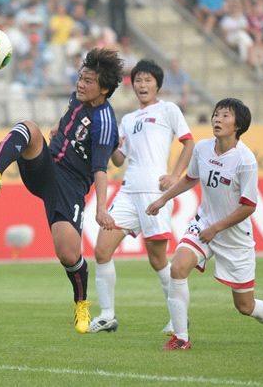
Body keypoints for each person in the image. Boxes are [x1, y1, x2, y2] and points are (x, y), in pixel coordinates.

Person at [146, 98, 263, 350]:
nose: (217, 119)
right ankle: (181, 338)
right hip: (203, 224)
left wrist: (217, 228)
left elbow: (249, 206)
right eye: (216, 114)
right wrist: (162, 199)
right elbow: (190, 179)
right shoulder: (202, 148)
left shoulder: (245, 160)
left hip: (234, 237)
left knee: (245, 306)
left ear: (238, 125)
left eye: (225, 116)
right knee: (178, 268)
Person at [0, 48, 123, 334]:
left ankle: (81, 302)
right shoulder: (78, 98)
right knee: (29, 127)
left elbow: (100, 169)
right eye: (81, 78)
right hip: (46, 167)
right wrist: (59, 126)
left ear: (104, 89)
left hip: (71, 187)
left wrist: (100, 208)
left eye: (88, 81)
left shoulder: (105, 123)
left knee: (68, 254)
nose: (80, 85)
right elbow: (69, 118)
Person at [88, 59, 194, 333]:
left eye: (147, 80)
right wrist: (111, 143)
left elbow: (188, 143)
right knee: (101, 251)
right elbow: (120, 159)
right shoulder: (128, 119)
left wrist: (175, 176)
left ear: (157, 84)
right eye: (138, 80)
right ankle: (107, 315)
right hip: (127, 191)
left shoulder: (168, 109)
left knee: (158, 259)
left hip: (153, 192)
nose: (142, 85)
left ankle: (178, 317)